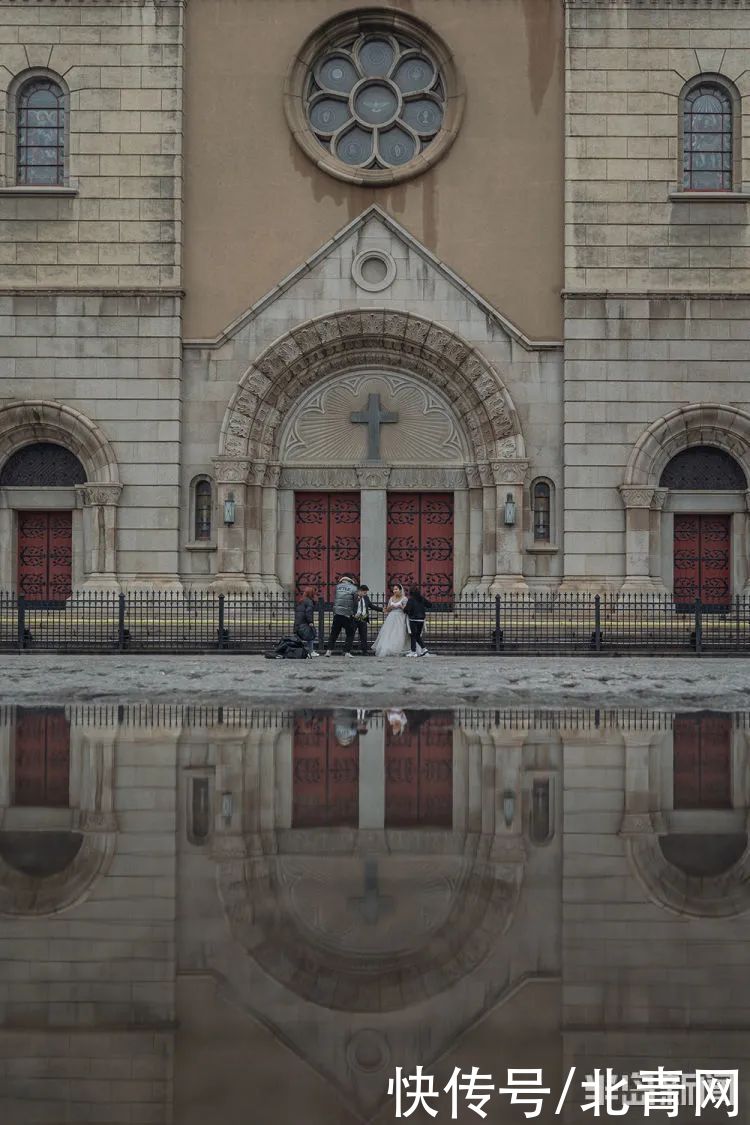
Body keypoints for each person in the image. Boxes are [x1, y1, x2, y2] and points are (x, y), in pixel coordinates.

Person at [324, 574, 358, 657]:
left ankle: (329, 651)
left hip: (337, 614)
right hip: (347, 614)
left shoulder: (337, 587)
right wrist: (353, 612)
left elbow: (335, 598)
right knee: (350, 634)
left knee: (334, 633)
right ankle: (347, 652)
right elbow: (355, 602)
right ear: (351, 580)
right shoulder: (354, 588)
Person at [372, 583, 410, 657]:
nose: (395, 591)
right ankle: (388, 648)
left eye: (396, 589)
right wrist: (391, 607)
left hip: (400, 617)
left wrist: (401, 606)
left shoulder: (404, 598)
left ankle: (399, 649)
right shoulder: (391, 598)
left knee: (398, 632)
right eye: (394, 589)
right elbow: (387, 609)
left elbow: (406, 610)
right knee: (389, 633)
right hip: (391, 617)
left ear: (400, 590)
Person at [353, 584, 381, 655]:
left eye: (366, 593)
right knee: (351, 634)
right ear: (360, 591)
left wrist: (381, 609)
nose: (365, 594)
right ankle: (347, 650)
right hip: (355, 618)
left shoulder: (366, 598)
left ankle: (364, 651)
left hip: (363, 618)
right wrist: (353, 614)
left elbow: (371, 606)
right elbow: (350, 606)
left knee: (364, 635)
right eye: (364, 592)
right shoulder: (354, 597)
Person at [404, 585, 432, 657]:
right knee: (416, 635)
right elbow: (429, 605)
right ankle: (419, 650)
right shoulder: (421, 598)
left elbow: (407, 610)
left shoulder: (411, 599)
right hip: (421, 620)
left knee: (414, 635)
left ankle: (418, 650)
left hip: (413, 619)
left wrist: (404, 609)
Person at [294, 586, 319, 656]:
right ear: (311, 594)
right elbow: (308, 612)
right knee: (311, 635)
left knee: (299, 637)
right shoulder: (309, 601)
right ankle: (311, 651)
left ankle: (297, 651)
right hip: (305, 622)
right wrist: (310, 622)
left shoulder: (301, 600)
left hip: (298, 622)